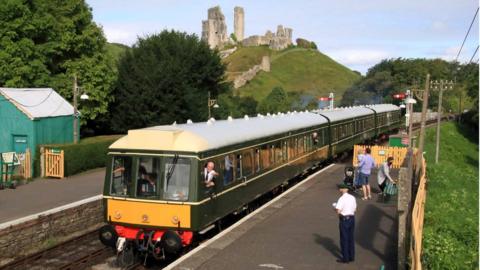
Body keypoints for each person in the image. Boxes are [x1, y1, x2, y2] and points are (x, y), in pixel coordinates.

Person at [333, 183, 357, 264]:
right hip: (352, 219)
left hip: (344, 220)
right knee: (351, 238)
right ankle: (352, 256)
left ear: (342, 189)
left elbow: (338, 211)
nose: (339, 189)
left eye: (340, 188)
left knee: (344, 239)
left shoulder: (341, 199)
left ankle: (345, 258)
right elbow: (354, 209)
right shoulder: (352, 197)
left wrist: (335, 208)